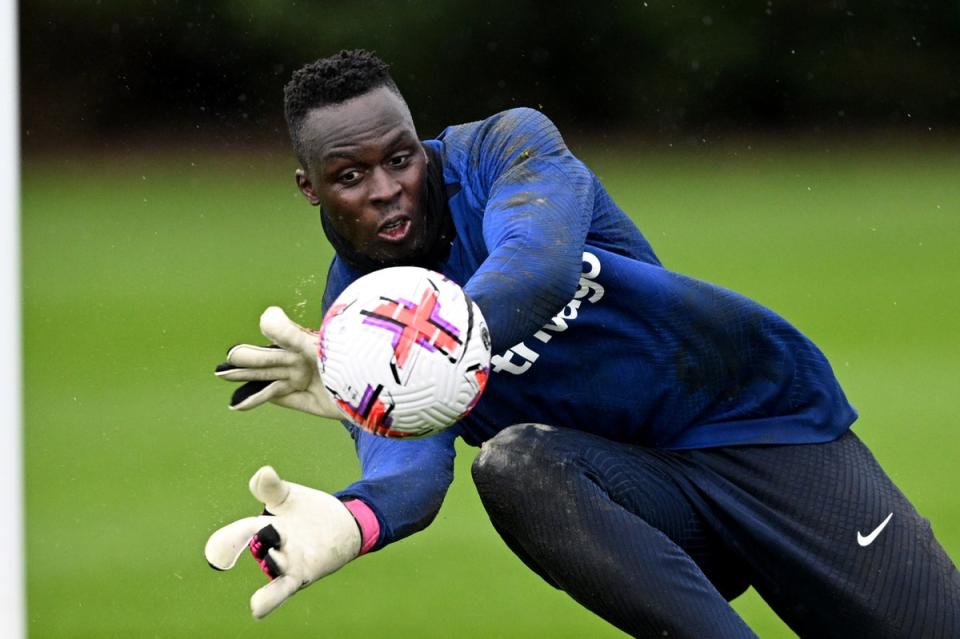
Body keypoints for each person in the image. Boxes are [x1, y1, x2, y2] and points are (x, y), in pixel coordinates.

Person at [205, 49, 959, 637]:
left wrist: (415, 349)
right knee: (513, 465)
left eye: (400, 158)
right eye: (349, 175)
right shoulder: (359, 320)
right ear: (309, 187)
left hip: (763, 428)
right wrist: (352, 518)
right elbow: (412, 464)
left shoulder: (507, 148)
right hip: (637, 496)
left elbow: (537, 262)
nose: (386, 188)